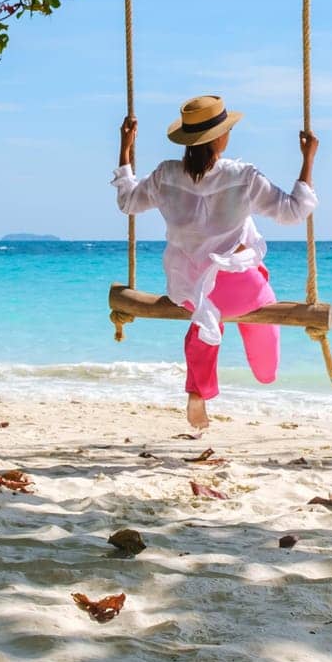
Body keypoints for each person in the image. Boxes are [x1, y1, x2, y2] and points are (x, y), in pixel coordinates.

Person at [114, 94, 318, 431]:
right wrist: (308, 160)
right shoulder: (243, 176)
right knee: (256, 299)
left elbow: (127, 202)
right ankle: (265, 373)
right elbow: (293, 211)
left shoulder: (166, 175)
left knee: (205, 316)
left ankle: (198, 390)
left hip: (186, 287)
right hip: (239, 289)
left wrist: (125, 149)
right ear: (220, 137)